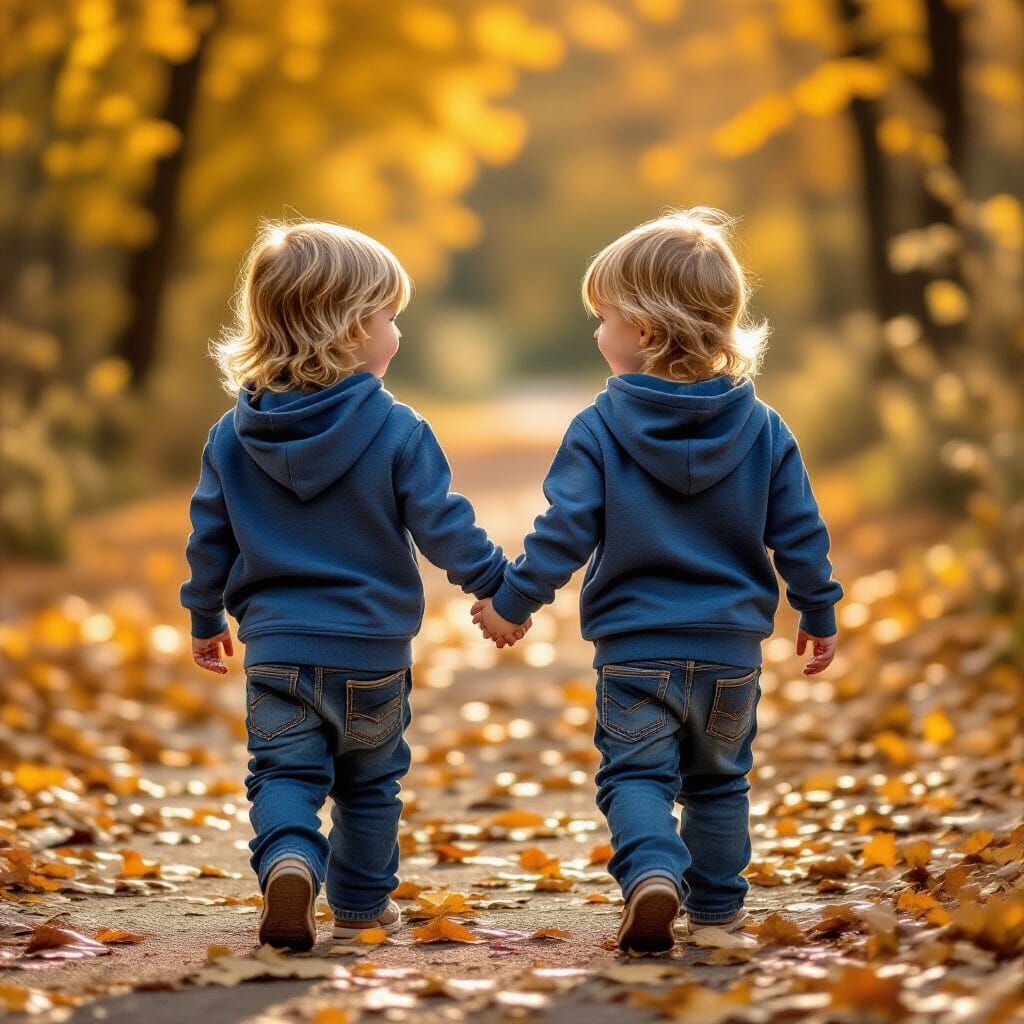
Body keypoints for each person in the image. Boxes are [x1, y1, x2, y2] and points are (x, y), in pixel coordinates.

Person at [472, 208, 842, 954]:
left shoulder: (600, 426)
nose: (596, 333)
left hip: (637, 650)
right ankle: (717, 913)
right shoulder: (764, 428)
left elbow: (564, 532)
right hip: (731, 651)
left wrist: (511, 601)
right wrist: (818, 610)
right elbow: (799, 532)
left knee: (635, 777)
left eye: (602, 318)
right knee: (719, 780)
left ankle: (650, 873)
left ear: (642, 330)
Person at [181, 220, 522, 951]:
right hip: (371, 652)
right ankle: (362, 908)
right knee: (369, 785)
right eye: (390, 317)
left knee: (282, 773)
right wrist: (498, 586)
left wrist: (204, 614)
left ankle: (290, 860)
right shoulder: (398, 430)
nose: (397, 332)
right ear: (350, 329)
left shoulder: (231, 435)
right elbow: (444, 525)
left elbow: (209, 537)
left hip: (277, 649)